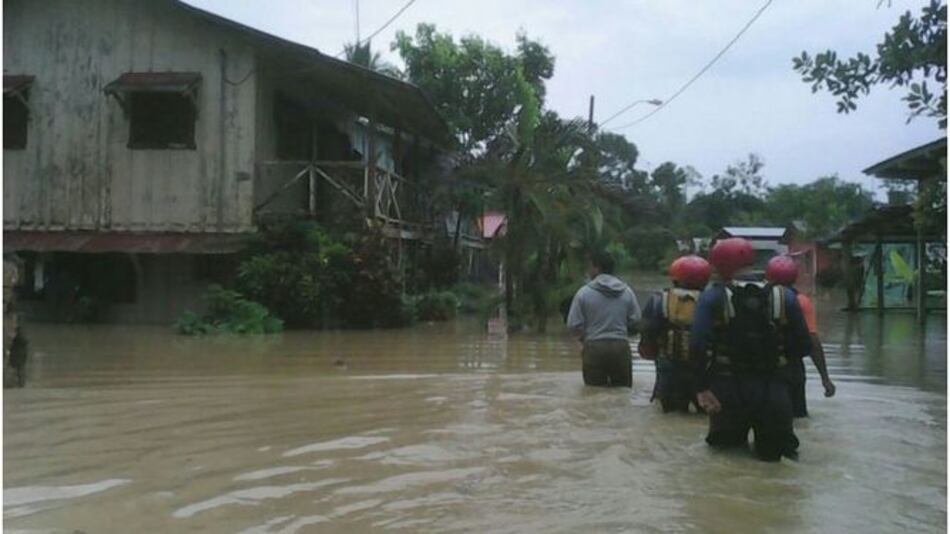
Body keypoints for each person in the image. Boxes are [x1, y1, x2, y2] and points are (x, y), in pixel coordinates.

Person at [690, 238, 812, 462]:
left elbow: (697, 344)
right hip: (774, 390)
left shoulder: (712, 297)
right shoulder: (785, 297)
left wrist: (702, 388)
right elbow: (804, 345)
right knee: (776, 461)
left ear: (720, 264)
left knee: (725, 461)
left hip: (727, 392)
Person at [765, 255, 836, 418]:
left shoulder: (757, 298)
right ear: (794, 277)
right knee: (797, 418)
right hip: (791, 366)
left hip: (760, 370)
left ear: (768, 275)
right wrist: (825, 378)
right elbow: (812, 341)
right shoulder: (801, 301)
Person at [639, 255, 711, 413]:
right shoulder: (712, 299)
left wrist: (650, 352)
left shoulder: (659, 299)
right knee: (705, 415)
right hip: (704, 371)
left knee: (672, 414)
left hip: (670, 368)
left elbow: (647, 332)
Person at [567, 250, 641, 387]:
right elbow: (636, 321)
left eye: (589, 266)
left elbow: (573, 325)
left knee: (593, 396)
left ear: (597, 268)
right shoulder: (627, 292)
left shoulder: (583, 293)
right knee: (622, 393)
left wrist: (583, 343)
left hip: (594, 347)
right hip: (620, 347)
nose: (588, 271)